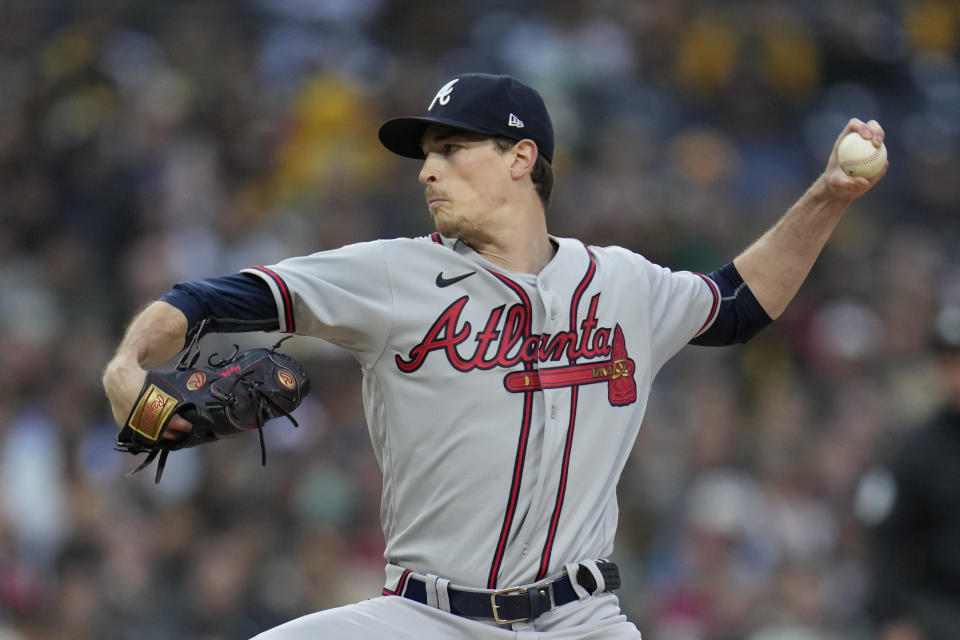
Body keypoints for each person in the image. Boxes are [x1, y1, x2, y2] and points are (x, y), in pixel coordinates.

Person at [102, 73, 886, 638]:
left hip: (582, 620)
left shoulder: (622, 283)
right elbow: (205, 299)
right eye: (425, 155)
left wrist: (826, 197)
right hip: (422, 617)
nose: (428, 169)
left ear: (521, 159)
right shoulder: (392, 274)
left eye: (451, 147)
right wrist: (128, 365)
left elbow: (739, 305)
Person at [863, 305, 960, 640]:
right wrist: (894, 617)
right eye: (949, 363)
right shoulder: (916, 450)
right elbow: (888, 542)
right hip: (941, 606)